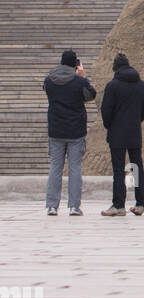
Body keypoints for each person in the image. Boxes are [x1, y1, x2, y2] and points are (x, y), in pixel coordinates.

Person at [44, 50, 96, 217]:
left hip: (55, 130)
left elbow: (47, 91)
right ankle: (74, 206)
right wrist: (83, 77)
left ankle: (52, 206)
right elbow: (91, 96)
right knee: (75, 168)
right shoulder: (78, 81)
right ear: (75, 64)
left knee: (55, 168)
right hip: (75, 131)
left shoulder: (49, 80)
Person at [100, 54, 144, 217]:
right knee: (136, 167)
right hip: (134, 132)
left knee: (118, 170)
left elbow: (106, 110)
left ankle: (118, 205)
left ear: (115, 68)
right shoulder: (142, 86)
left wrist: (111, 125)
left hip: (117, 133)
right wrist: (135, 121)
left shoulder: (112, 86)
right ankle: (140, 204)